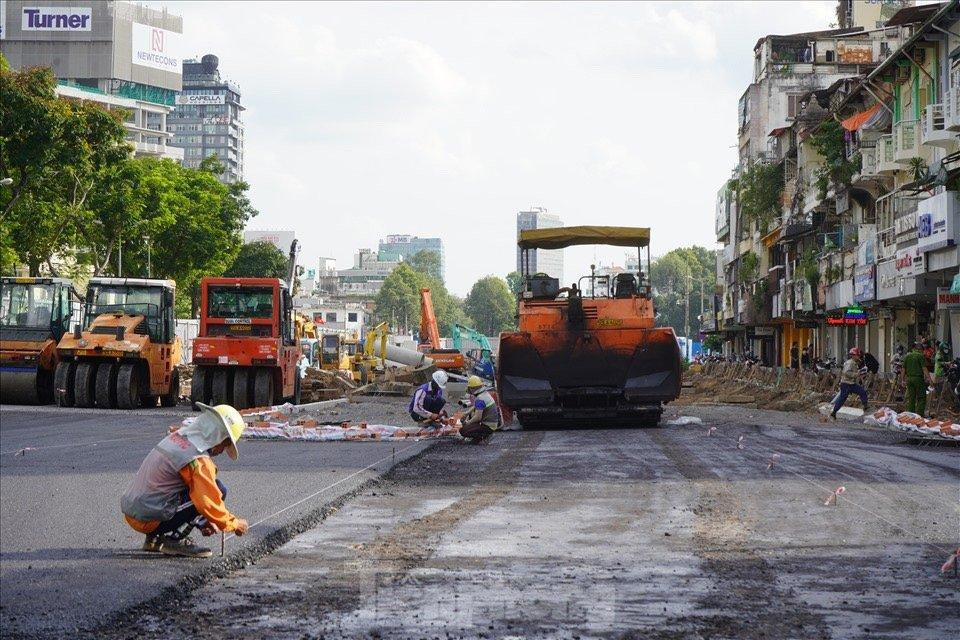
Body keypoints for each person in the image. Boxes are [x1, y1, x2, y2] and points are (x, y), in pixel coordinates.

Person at [120, 403, 249, 558]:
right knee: (219, 489)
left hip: (136, 509)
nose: (222, 451)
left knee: (192, 489)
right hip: (149, 518)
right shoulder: (198, 459)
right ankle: (174, 541)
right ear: (219, 435)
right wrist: (234, 524)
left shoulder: (178, 436)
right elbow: (207, 501)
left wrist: (203, 521)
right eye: (226, 443)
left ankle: (153, 540)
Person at [458, 375, 502, 444]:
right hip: (492, 424)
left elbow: (478, 417)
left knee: (463, 431)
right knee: (471, 424)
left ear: (472, 388)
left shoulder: (480, 399)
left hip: (488, 426)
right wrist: (467, 413)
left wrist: (467, 423)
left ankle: (485, 436)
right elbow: (477, 406)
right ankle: (478, 438)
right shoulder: (484, 394)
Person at [831, 347, 869, 419]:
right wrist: (856, 374)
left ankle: (866, 406)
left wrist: (860, 372)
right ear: (853, 355)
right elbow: (846, 372)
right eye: (857, 355)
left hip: (851, 383)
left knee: (862, 391)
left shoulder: (854, 363)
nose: (859, 356)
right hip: (846, 384)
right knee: (842, 399)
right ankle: (833, 413)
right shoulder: (849, 363)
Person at [902, 340, 932, 416]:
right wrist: (929, 379)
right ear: (920, 349)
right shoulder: (920, 356)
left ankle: (911, 415)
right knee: (921, 397)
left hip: (909, 379)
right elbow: (924, 369)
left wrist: (902, 380)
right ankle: (919, 415)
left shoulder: (907, 356)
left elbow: (903, 369)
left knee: (911, 398)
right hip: (918, 379)